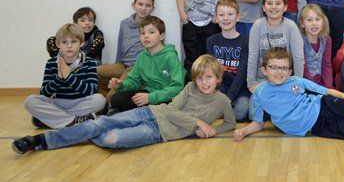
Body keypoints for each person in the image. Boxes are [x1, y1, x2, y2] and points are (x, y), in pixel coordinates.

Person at [12, 55, 236, 154]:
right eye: (199, 78)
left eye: (209, 77)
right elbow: (171, 111)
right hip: (149, 113)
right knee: (98, 125)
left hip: (158, 132)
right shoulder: (189, 88)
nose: (204, 82)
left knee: (111, 138)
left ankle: (84, 130)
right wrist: (198, 122)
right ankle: (40, 141)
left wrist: (212, 131)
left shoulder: (222, 101)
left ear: (218, 78)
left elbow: (230, 123)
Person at [25, 24, 106, 129]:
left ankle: (55, 119)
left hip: (80, 102)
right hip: (58, 103)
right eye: (64, 42)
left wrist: (69, 77)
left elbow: (92, 90)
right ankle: (75, 120)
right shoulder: (51, 63)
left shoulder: (89, 62)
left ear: (81, 43)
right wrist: (58, 78)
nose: (69, 46)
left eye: (73, 42)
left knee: (100, 100)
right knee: (29, 101)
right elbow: (44, 93)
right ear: (58, 44)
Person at [107, 16, 184, 115]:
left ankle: (125, 115)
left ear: (161, 36)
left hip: (165, 97)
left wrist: (151, 97)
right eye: (142, 33)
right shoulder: (142, 56)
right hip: (148, 93)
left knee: (156, 108)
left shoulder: (170, 56)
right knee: (117, 98)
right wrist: (121, 85)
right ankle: (126, 115)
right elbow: (133, 81)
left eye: (151, 32)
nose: (146, 36)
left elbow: (177, 87)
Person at [96, 0, 155, 95]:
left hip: (136, 68)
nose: (143, 8)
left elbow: (157, 51)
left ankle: (107, 101)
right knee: (92, 72)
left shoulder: (155, 25)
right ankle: (104, 96)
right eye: (140, 4)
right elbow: (120, 46)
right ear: (133, 5)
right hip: (122, 65)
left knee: (114, 93)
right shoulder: (124, 23)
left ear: (153, 9)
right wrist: (116, 64)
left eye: (148, 5)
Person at [246, 0, 304, 90]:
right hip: (262, 82)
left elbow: (298, 58)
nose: (273, 7)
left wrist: (297, 84)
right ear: (263, 7)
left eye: (278, 3)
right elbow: (252, 57)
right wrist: (251, 83)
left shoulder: (291, 26)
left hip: (286, 82)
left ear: (285, 7)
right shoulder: (257, 25)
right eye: (269, 3)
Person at [206, 0, 250, 122]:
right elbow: (212, 72)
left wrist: (228, 97)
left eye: (230, 14)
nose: (225, 18)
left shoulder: (245, 41)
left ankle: (223, 110)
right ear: (216, 18)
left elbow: (241, 75)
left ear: (238, 17)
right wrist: (220, 94)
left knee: (241, 112)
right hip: (218, 89)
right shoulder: (211, 41)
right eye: (221, 15)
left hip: (240, 90)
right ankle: (222, 110)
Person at [298, 4, 333, 88]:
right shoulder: (299, 39)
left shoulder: (326, 39)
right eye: (309, 20)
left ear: (323, 21)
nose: (314, 23)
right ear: (302, 23)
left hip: (321, 82)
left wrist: (328, 87)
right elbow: (303, 66)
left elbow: (327, 65)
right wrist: (314, 88)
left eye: (317, 19)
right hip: (305, 83)